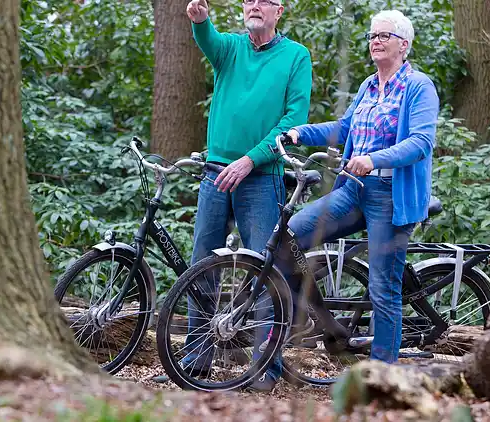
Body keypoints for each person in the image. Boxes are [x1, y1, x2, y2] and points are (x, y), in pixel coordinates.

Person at [262, 9, 440, 391]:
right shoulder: (369, 86)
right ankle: (315, 320)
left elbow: (421, 142)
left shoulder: (418, 87)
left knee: (382, 287)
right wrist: (299, 132)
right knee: (287, 236)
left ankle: (380, 380)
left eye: (384, 36)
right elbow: (344, 128)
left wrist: (373, 158)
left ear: (403, 45)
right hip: (353, 190)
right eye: (372, 35)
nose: (375, 40)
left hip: (391, 197)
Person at [153, 0, 313, 392]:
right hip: (215, 173)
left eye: (264, 1)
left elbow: (293, 120)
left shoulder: (296, 56)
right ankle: (196, 359)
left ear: (280, 11)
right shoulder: (230, 48)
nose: (255, 6)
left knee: (264, 273)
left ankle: (265, 369)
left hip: (262, 177)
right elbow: (207, 39)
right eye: (248, 0)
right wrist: (200, 19)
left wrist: (249, 160)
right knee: (201, 267)